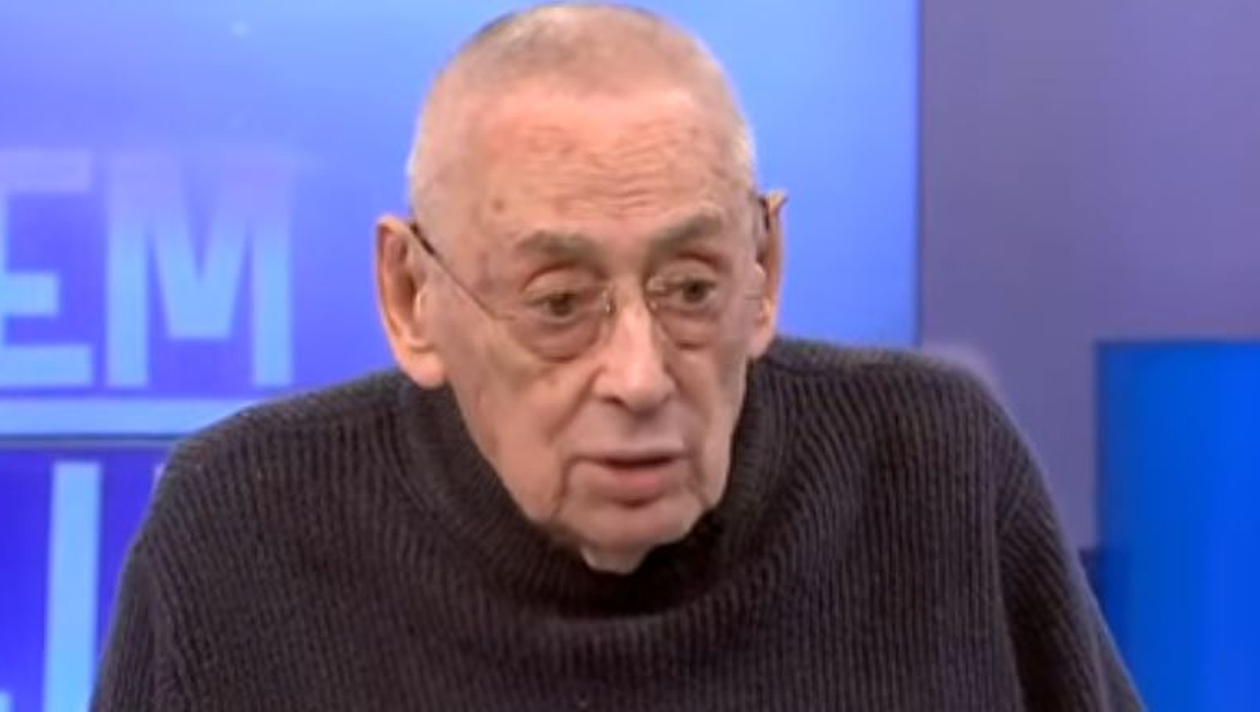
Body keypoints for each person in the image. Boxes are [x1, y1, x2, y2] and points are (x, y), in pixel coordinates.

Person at [92, 3, 1141, 710]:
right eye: (559, 304)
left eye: (691, 289)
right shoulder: (242, 527)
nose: (639, 377)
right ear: (412, 299)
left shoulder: (936, 470)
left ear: (765, 270)